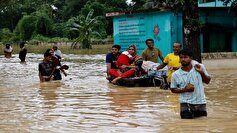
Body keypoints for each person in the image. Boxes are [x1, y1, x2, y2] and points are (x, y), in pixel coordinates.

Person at [170, 49, 211, 119]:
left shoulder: (199, 67)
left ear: (191, 58)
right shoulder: (175, 74)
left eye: (185, 57)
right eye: (181, 57)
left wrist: (201, 72)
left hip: (201, 102)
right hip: (185, 103)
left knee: (202, 124)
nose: (183, 59)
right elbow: (173, 89)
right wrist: (184, 90)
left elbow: (207, 81)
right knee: (186, 125)